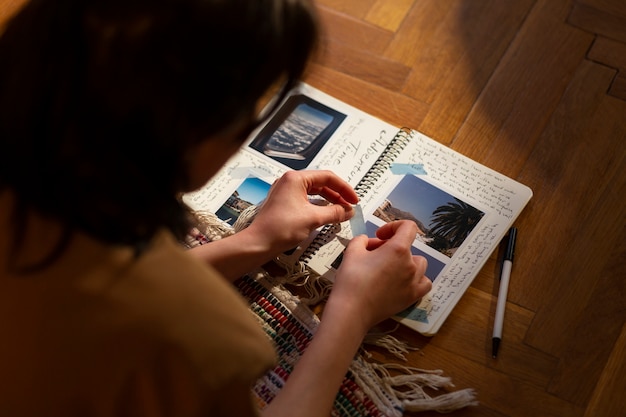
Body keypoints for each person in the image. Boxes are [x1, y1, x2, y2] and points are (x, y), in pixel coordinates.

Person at [0, 0, 432, 415]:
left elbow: (86, 303)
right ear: (189, 137)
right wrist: (353, 312)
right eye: (250, 109)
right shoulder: (202, 342)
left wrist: (257, 240)